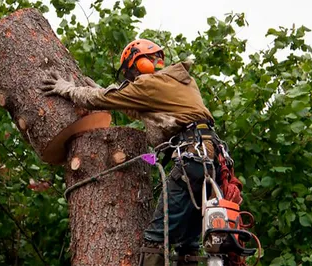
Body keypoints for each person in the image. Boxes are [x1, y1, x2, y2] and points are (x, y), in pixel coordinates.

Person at [40, 39, 243, 266]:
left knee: (155, 237)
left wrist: (69, 90)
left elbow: (105, 99)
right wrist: (106, 95)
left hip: (192, 159)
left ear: (140, 62)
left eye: (130, 72)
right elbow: (146, 112)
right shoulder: (179, 81)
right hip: (210, 162)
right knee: (189, 242)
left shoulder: (150, 83)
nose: (131, 79)